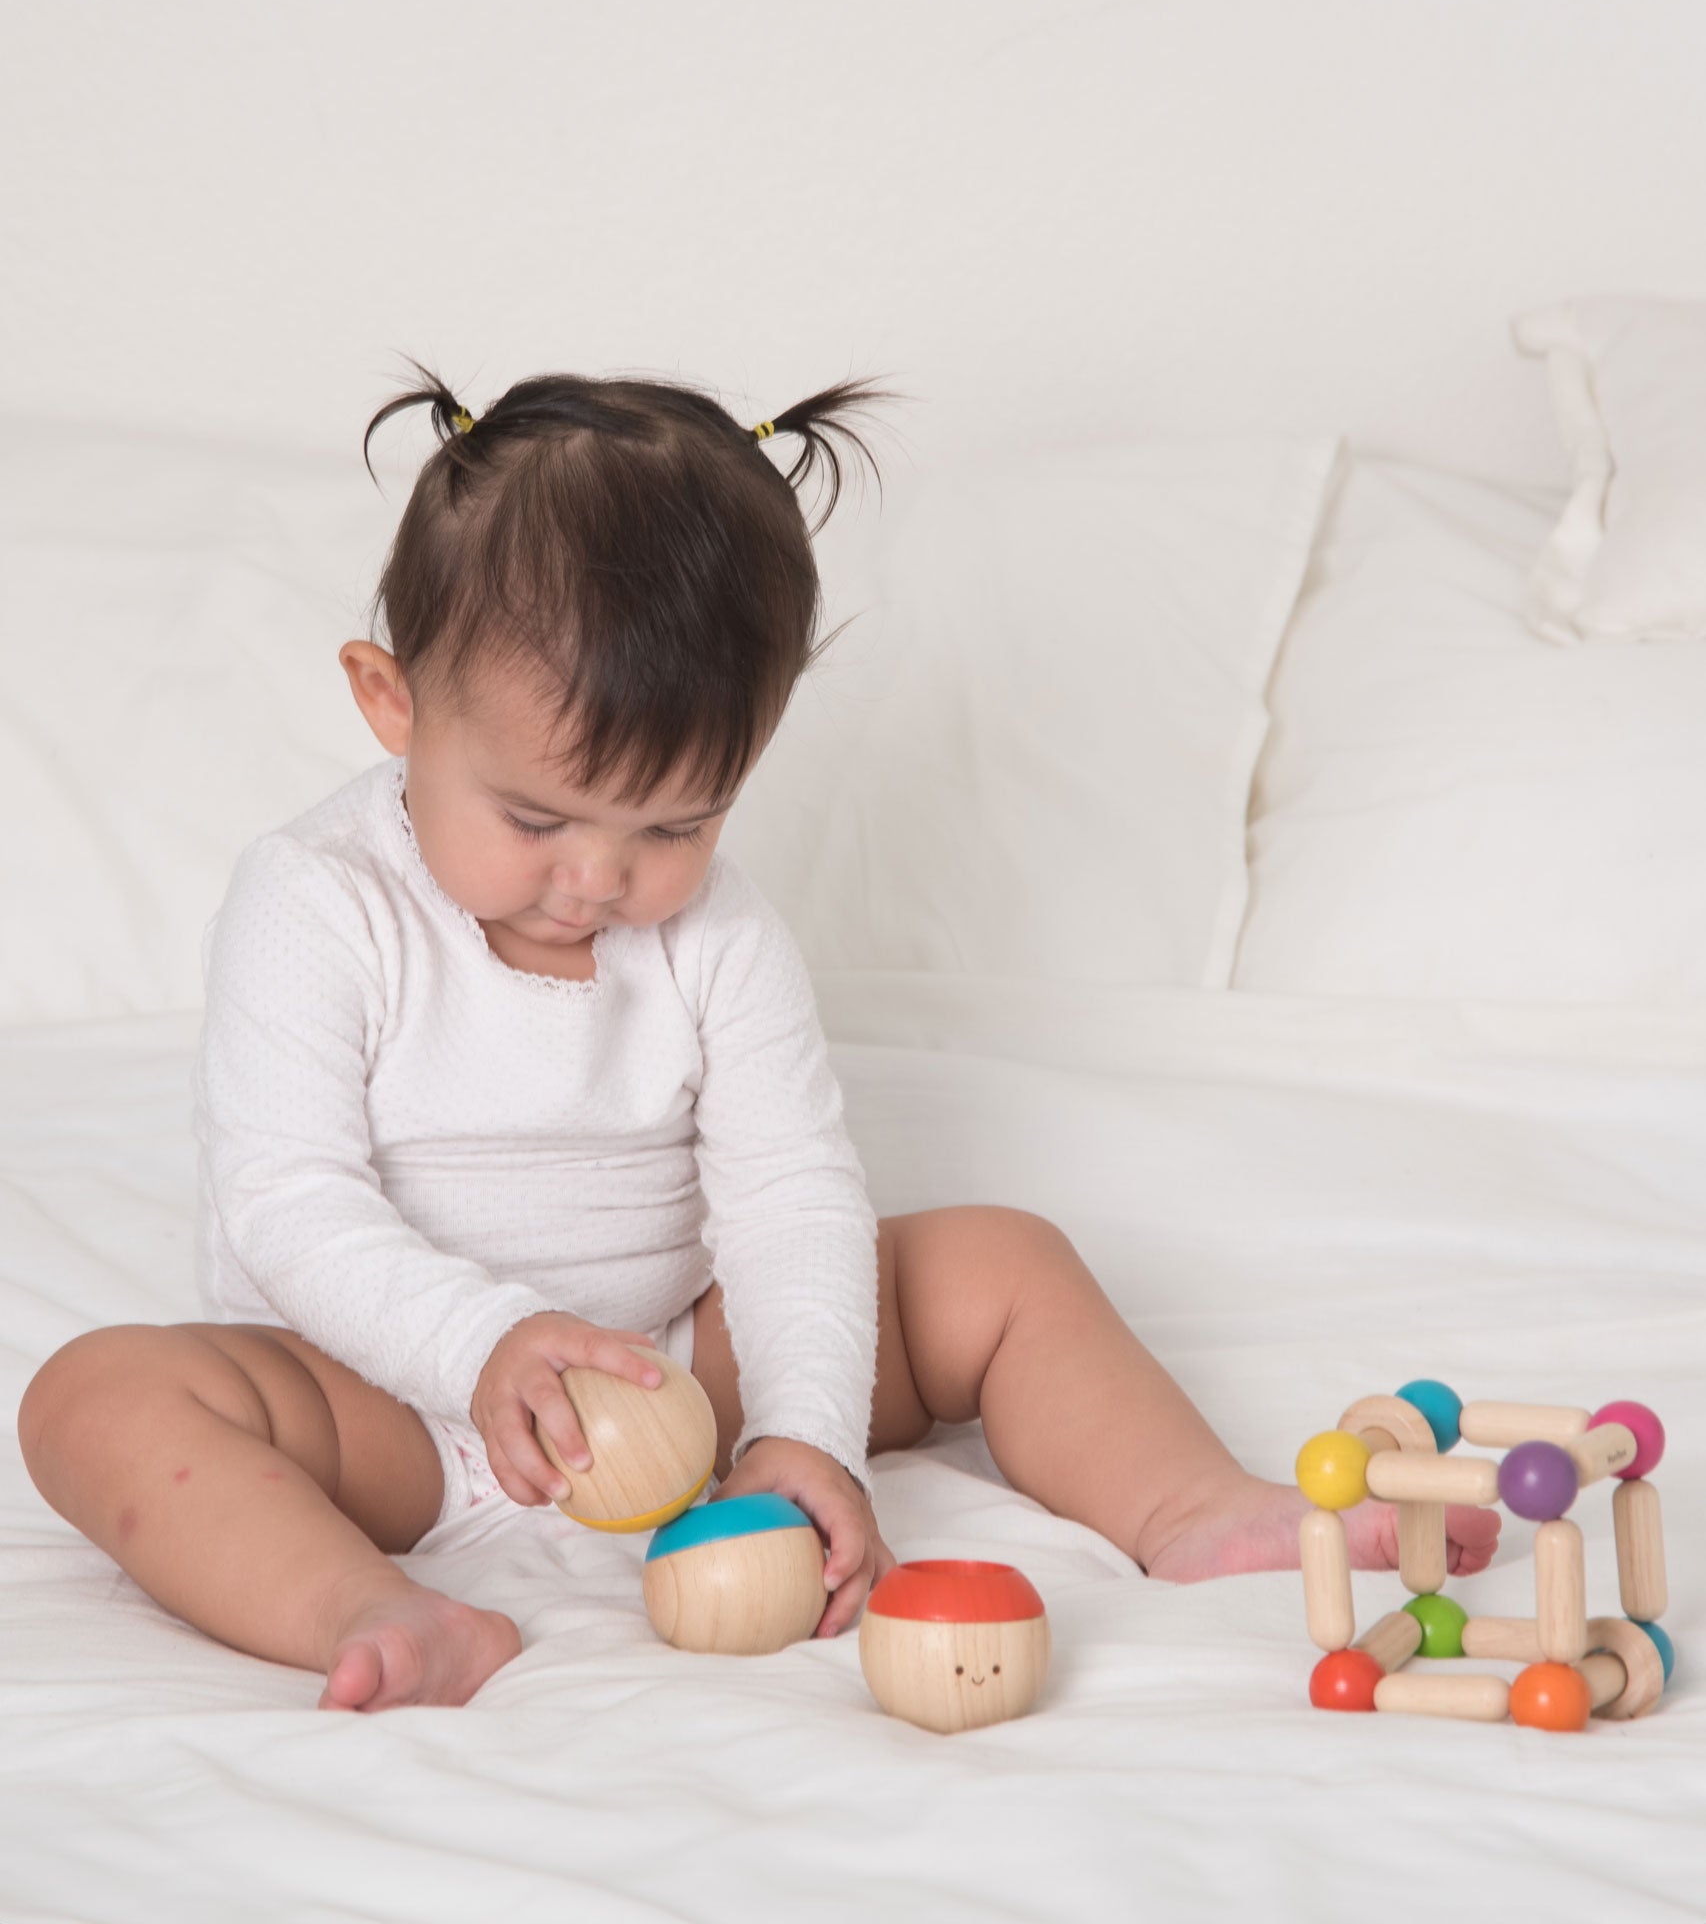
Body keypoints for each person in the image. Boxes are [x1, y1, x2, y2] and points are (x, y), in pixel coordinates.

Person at [18, 362, 1499, 1714]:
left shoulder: (718, 934)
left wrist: (801, 1431)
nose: (599, 880)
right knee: (99, 1397)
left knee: (1000, 1263)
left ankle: (1192, 1507)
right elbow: (288, 1202)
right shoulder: (313, 899)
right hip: (387, 1407)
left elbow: (788, 1195)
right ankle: (365, 1608)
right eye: (534, 817)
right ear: (390, 704)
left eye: (675, 823)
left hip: (674, 1372)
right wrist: (481, 1347)